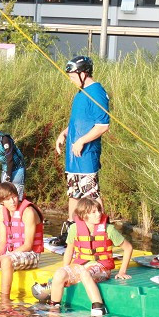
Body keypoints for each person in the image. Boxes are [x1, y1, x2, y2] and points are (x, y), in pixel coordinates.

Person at [34, 197, 133, 317]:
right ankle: (54, 308)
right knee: (60, 273)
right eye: (93, 212)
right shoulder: (74, 228)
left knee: (84, 273)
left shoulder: (109, 229)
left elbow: (128, 248)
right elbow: (69, 251)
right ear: (84, 215)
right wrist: (66, 271)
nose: (98, 214)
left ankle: (98, 308)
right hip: (81, 265)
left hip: (101, 267)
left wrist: (122, 271)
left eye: (99, 210)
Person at [53, 55, 110, 246]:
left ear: (83, 74)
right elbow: (79, 121)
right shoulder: (80, 93)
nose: (70, 79)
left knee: (91, 194)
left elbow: (103, 125)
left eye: (72, 75)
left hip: (86, 154)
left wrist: (82, 141)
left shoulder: (96, 92)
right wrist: (64, 134)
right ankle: (71, 231)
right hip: (73, 155)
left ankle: (101, 232)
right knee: (73, 194)